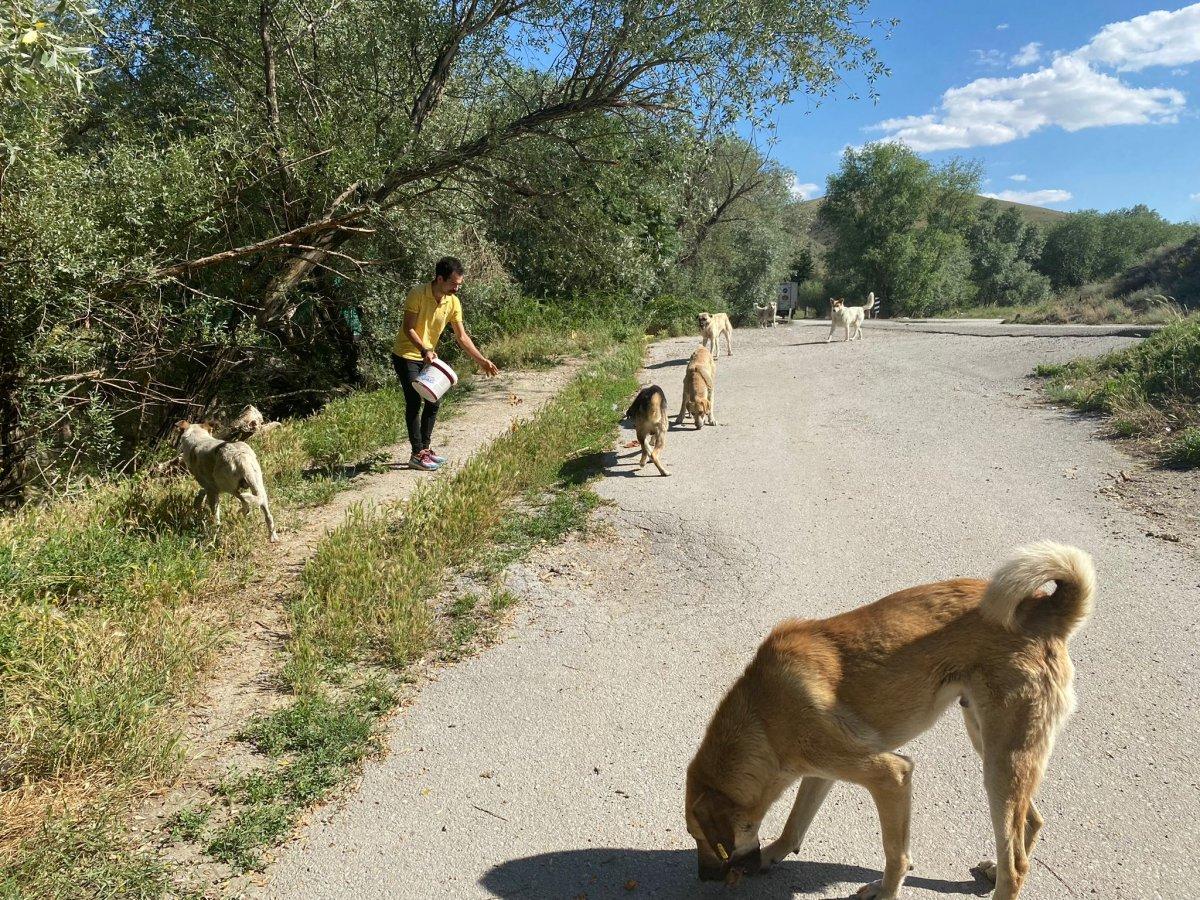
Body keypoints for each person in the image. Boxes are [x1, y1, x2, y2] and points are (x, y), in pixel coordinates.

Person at [391, 257, 499, 471]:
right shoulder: (417, 294)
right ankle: (416, 454)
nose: (457, 289)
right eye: (453, 284)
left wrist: (482, 360)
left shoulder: (453, 302)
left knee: (434, 400)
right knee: (414, 400)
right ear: (440, 279)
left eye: (459, 284)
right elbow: (408, 328)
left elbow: (462, 337)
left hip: (428, 356)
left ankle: (425, 450)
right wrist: (425, 349)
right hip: (406, 354)